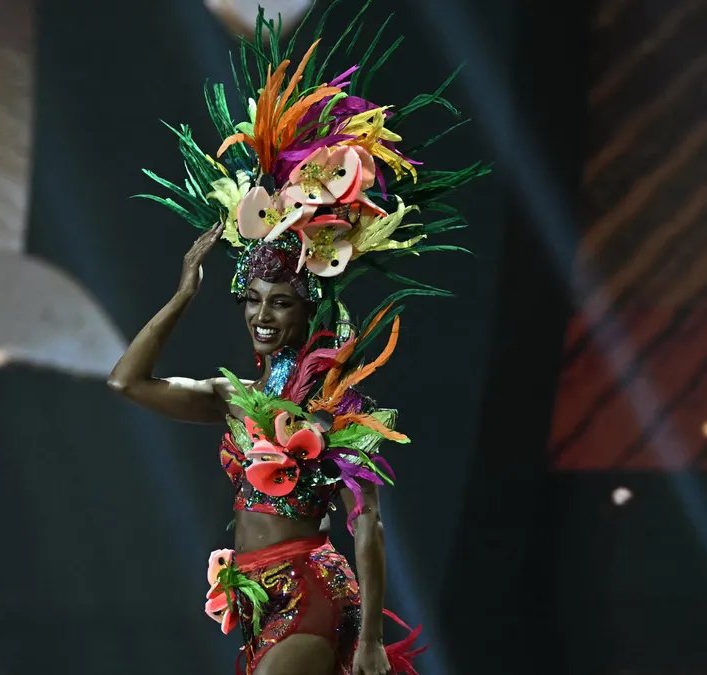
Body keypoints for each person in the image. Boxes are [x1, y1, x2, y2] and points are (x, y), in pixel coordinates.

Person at [108, 5, 486, 673]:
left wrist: (370, 639)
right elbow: (126, 381)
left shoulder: (335, 406)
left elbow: (367, 523)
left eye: (280, 301)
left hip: (313, 589)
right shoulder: (231, 396)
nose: (262, 315)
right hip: (260, 600)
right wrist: (184, 295)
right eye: (252, 300)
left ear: (307, 310)